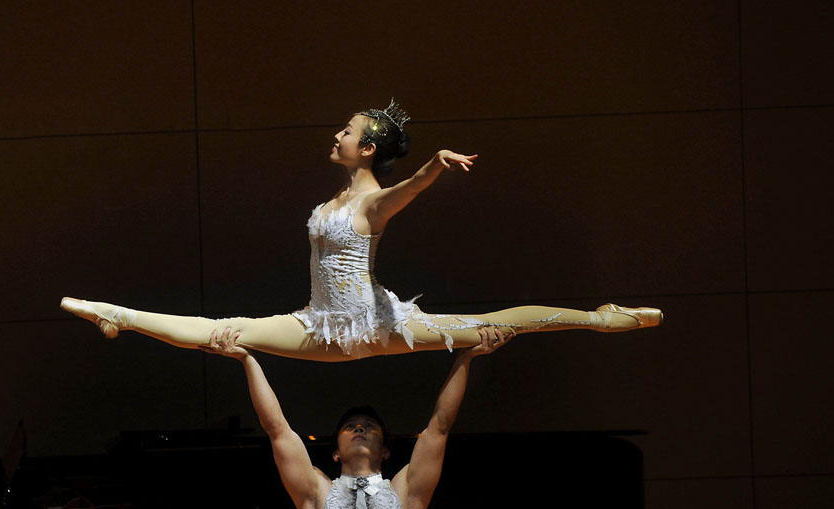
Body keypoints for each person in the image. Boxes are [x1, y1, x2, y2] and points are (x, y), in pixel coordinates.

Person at [61, 99, 662, 361]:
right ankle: (115, 313)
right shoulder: (339, 197)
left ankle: (601, 318)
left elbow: (406, 192)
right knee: (223, 333)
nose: (336, 137)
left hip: (372, 328)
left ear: (367, 148)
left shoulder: (372, 201)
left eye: (345, 132)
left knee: (495, 321)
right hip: (321, 327)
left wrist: (432, 167)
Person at [202, 324, 516, 509]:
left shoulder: (405, 492)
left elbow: (439, 427)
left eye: (368, 425)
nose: (360, 429)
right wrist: (247, 360)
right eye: (350, 426)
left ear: (386, 451)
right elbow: (277, 428)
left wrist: (467, 357)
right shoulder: (317, 490)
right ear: (336, 452)